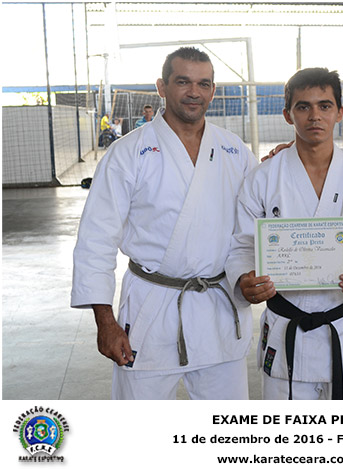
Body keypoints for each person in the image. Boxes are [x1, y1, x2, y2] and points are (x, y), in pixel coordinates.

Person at [71, 47, 257, 399]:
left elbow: (255, 221)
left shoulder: (234, 150)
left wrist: (282, 162)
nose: (194, 92)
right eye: (183, 81)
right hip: (151, 309)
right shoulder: (128, 152)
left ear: (213, 91)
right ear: (162, 86)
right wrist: (105, 321)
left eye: (203, 84)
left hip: (218, 310)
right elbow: (96, 239)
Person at [226, 68, 343, 400]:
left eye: (324, 106)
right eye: (303, 107)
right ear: (287, 114)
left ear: (339, 112)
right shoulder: (263, 177)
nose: (315, 116)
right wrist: (244, 279)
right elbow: (243, 245)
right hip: (287, 329)